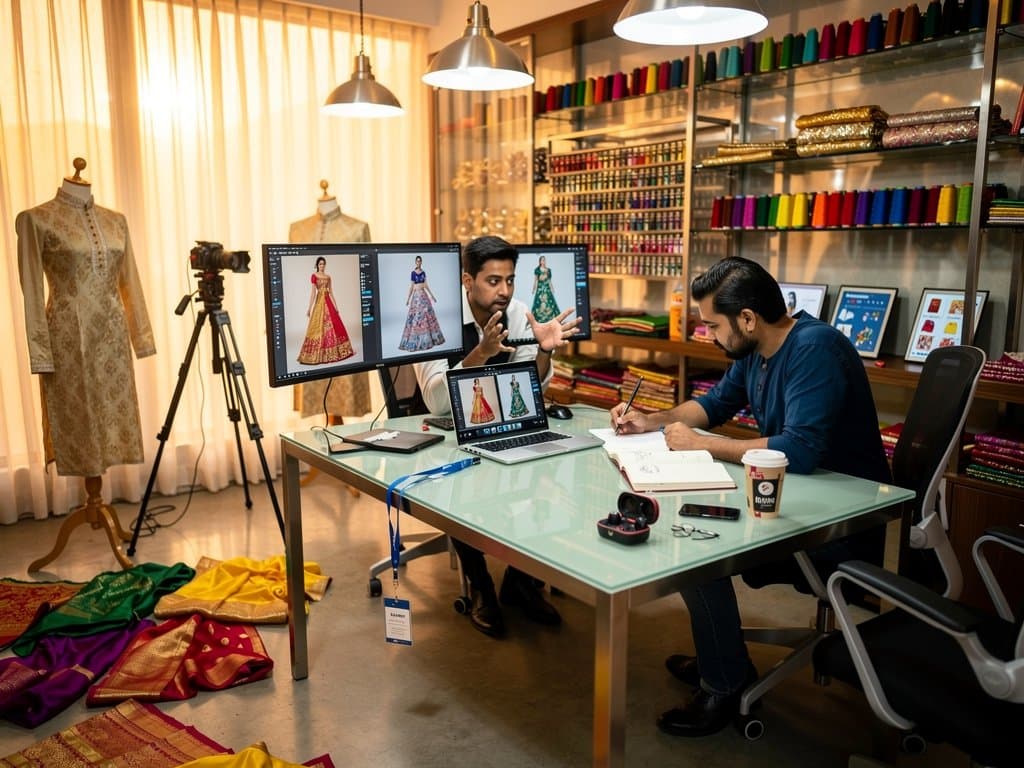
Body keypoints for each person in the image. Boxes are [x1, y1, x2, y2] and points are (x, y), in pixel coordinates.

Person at [610, 256, 890, 737]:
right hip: (796, 499)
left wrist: (703, 445)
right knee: (690, 526)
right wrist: (651, 422)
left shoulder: (814, 349)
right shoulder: (756, 353)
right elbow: (714, 404)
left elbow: (799, 449)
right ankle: (723, 659)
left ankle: (725, 684)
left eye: (713, 325)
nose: (710, 336)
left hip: (840, 522)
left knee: (694, 546)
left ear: (747, 318)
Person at [414, 235, 581, 637]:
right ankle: (481, 587)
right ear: (467, 280)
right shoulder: (437, 318)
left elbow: (532, 388)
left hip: (503, 423)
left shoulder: (519, 311)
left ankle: (520, 583)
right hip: (448, 434)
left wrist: (545, 350)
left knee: (553, 469)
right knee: (463, 486)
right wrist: (483, 352)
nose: (504, 291)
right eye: (493, 281)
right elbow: (437, 401)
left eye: (509, 280)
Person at [297, 256, 354, 365]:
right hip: (319, 303)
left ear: (325, 265)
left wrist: (336, 306)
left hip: (328, 301)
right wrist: (309, 308)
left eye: (323, 264)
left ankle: (334, 352)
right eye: (320, 264)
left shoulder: (328, 277)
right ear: (317, 265)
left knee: (334, 324)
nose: (322, 266)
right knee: (318, 327)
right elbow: (313, 293)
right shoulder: (314, 276)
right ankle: (315, 353)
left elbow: (331, 292)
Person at [398, 255, 446, 351]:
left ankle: (428, 340)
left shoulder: (423, 272)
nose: (418, 262)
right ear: (415, 262)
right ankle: (415, 341)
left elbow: (426, 285)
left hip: (423, 296)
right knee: (416, 318)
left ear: (421, 262)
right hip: (416, 297)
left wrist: (432, 295)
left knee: (427, 316)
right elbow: (411, 286)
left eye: (420, 261)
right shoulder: (413, 273)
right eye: (417, 261)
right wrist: (408, 299)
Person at [530, 254, 560, 322]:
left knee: (549, 303)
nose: (544, 261)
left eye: (544, 260)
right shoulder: (537, 270)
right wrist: (533, 289)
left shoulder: (548, 270)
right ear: (540, 261)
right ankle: (539, 319)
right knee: (539, 303)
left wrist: (552, 288)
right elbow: (536, 280)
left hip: (547, 288)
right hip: (540, 289)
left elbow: (549, 281)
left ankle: (551, 319)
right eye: (542, 260)